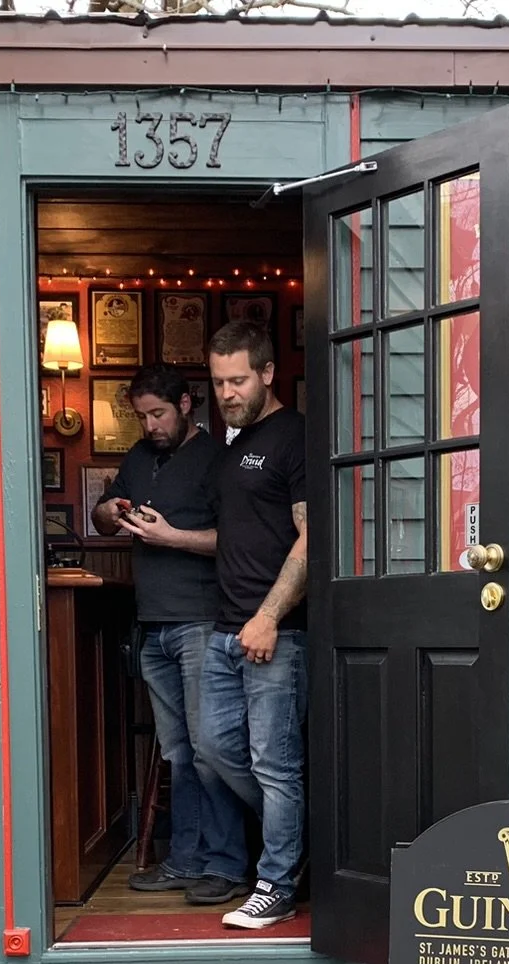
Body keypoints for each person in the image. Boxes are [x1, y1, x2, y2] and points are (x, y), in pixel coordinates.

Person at [91, 364, 248, 906]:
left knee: (208, 750)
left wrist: (172, 537)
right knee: (179, 752)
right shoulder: (138, 457)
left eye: (158, 414)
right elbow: (103, 519)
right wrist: (108, 509)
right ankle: (185, 860)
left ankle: (226, 865)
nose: (150, 425)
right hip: (152, 624)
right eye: (141, 416)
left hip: (202, 621)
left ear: (185, 404)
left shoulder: (218, 459)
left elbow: (236, 540)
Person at [196, 321, 308, 930]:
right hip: (225, 629)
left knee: (274, 764)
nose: (227, 393)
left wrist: (267, 617)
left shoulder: (295, 437)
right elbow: (234, 535)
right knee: (214, 748)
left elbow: (313, 538)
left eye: (237, 380)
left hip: (275, 633)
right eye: (218, 382)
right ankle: (296, 843)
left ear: (267, 372)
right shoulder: (235, 446)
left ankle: (277, 883)